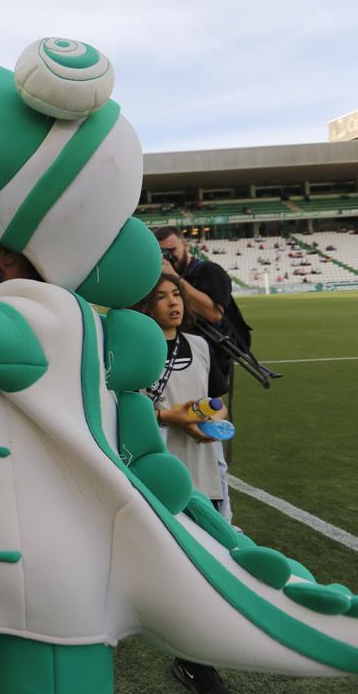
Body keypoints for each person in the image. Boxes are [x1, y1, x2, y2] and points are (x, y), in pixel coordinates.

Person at [135, 273, 234, 693]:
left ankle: (196, 659)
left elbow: (219, 403)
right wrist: (168, 418)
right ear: (145, 306)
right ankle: (191, 656)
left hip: (205, 469)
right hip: (160, 473)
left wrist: (212, 423)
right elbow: (127, 406)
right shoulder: (138, 349)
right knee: (170, 567)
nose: (173, 303)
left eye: (177, 294)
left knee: (208, 565)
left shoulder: (201, 346)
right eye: (162, 296)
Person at [155, 226, 252, 380]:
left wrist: (174, 277)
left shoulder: (209, 271)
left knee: (207, 402)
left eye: (172, 250)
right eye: (162, 253)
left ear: (186, 246)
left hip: (210, 354)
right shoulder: (161, 279)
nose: (168, 257)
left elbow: (214, 314)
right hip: (178, 352)